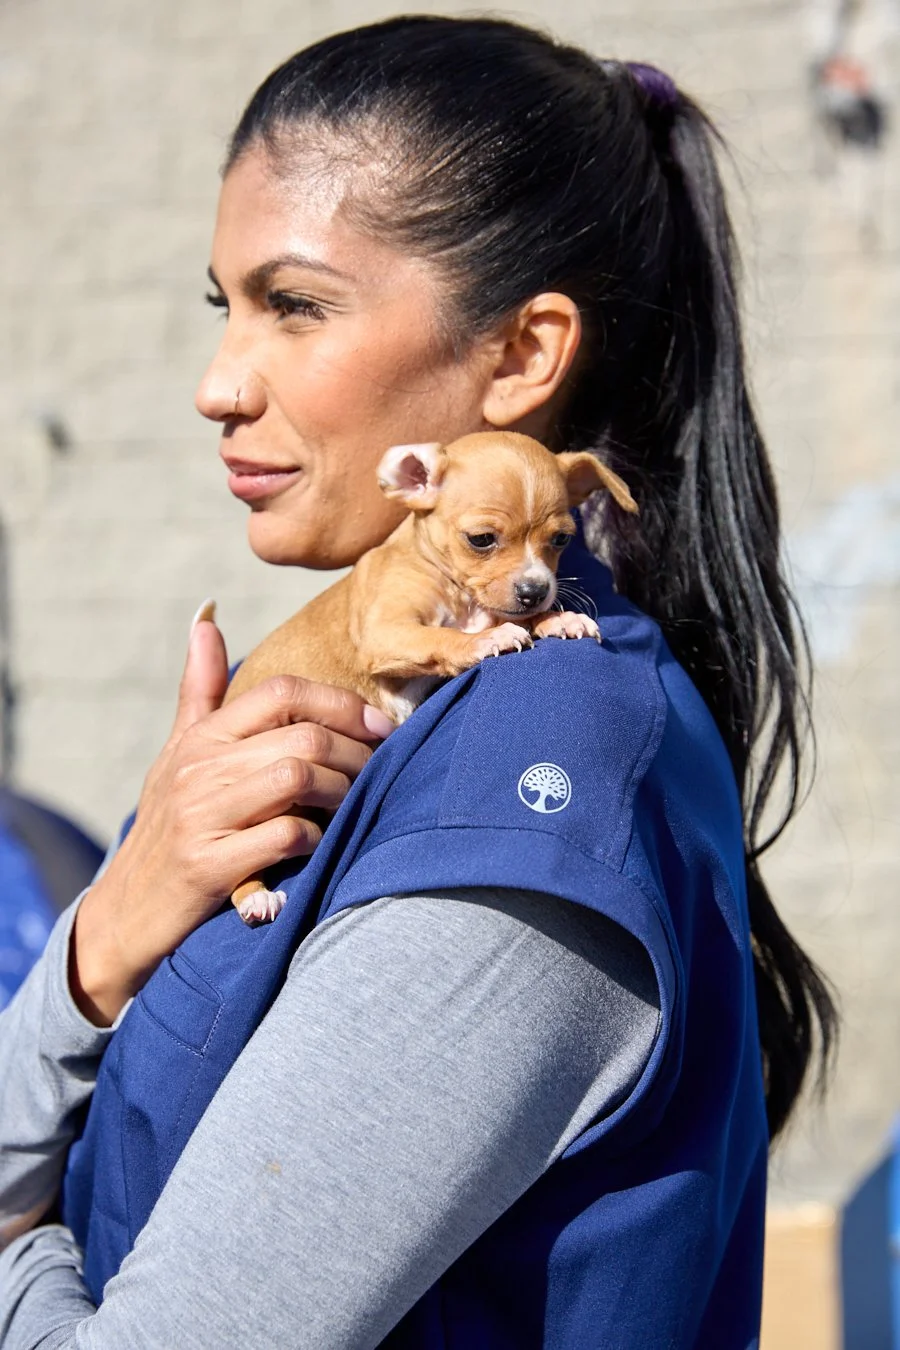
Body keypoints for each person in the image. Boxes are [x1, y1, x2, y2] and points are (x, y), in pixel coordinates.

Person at [0, 16, 836, 1348]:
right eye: (224, 309)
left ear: (520, 356)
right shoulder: (437, 716)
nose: (219, 382)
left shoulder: (528, 796)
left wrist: (14, 1236)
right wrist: (105, 940)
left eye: (294, 304)